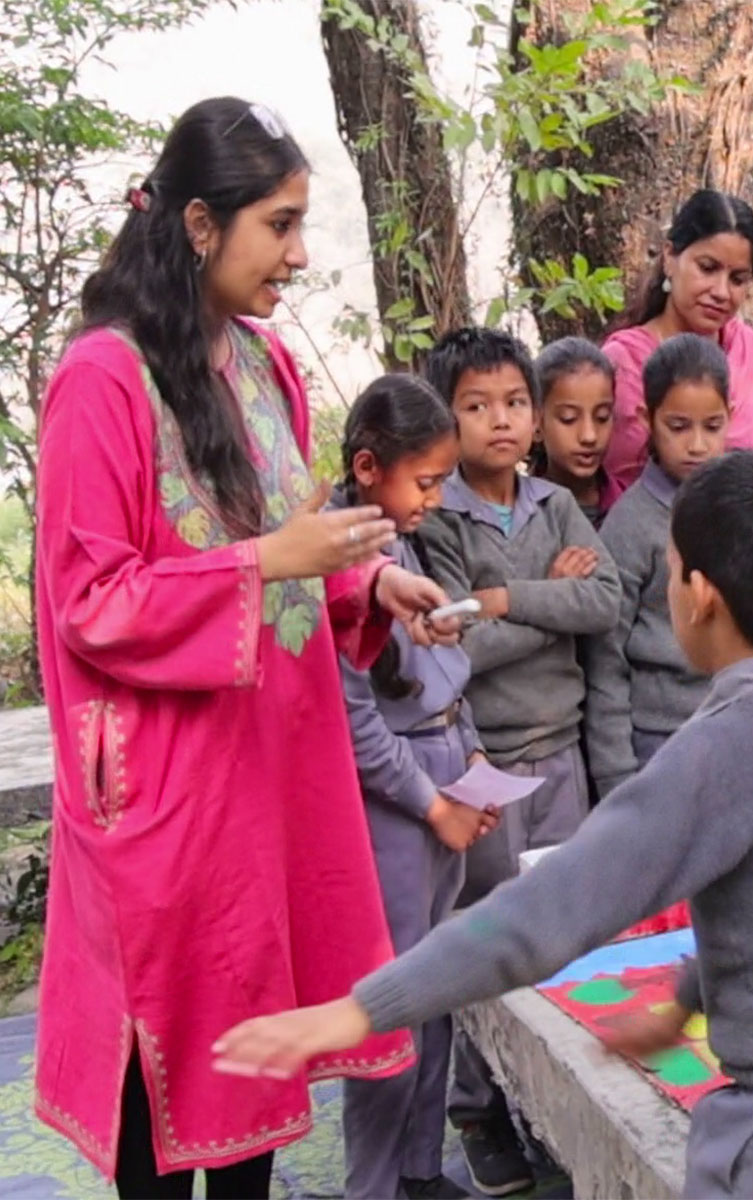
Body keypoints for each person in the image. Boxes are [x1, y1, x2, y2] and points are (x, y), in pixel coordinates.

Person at [213, 451, 753, 1200]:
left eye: (672, 568)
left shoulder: (722, 749)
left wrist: (362, 1009)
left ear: (700, 596)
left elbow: (544, 914)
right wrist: (685, 1002)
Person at [32, 96, 453, 1198]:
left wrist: (367, 575)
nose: (300, 255)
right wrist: (272, 562)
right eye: (280, 224)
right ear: (200, 225)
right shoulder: (102, 380)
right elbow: (92, 599)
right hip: (165, 796)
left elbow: (271, 528)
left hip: (263, 776)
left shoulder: (264, 365)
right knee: (168, 1086)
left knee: (259, 1060)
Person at [419, 325, 622, 1195]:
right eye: (477, 406)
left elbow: (605, 600)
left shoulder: (557, 504)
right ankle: (480, 1111)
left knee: (569, 939)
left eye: (513, 404)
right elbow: (453, 651)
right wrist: (549, 601)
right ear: (447, 418)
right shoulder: (438, 521)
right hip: (484, 770)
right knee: (488, 944)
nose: (500, 421)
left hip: (564, 760)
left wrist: (504, 600)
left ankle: (560, 1105)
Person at [334, 376, 500, 1200]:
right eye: (425, 481)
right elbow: (355, 724)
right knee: (390, 997)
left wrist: (469, 766)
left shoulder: (400, 544)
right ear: (368, 467)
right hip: (394, 813)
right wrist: (433, 804)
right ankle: (371, 1185)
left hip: (444, 786)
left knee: (436, 987)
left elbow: (443, 681)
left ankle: (420, 1166)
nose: (435, 498)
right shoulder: (336, 563)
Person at [583, 335, 728, 797]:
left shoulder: (742, 510)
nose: (698, 444)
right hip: (657, 745)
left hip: (735, 728)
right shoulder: (630, 526)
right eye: (679, 426)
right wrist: (615, 776)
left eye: (713, 425)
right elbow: (604, 660)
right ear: (646, 418)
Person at [600, 189, 753, 508]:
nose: (721, 292)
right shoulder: (625, 362)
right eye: (708, 268)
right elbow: (619, 482)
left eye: (737, 279)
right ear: (670, 258)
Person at [527, 337, 615, 528]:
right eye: (569, 419)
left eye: (602, 417)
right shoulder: (521, 517)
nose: (589, 436)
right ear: (536, 424)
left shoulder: (629, 507)